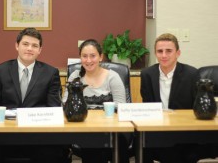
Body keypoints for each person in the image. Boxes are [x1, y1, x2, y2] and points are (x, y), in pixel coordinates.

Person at [0, 28, 70, 163]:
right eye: (25, 44)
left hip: (38, 135)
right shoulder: (0, 71)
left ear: (40, 50)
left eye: (34, 46)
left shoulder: (50, 73)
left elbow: (54, 110)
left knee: (53, 151)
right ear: (17, 46)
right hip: (5, 133)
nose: (29, 49)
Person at [140, 33, 213, 163]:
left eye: (169, 51)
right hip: (157, 129)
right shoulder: (147, 74)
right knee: (142, 145)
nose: (163, 55)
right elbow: (147, 105)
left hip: (184, 131)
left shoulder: (192, 74)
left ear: (178, 53)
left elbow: (196, 107)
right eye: (160, 51)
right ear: (155, 53)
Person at [63, 39, 129, 163]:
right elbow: (66, 103)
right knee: (91, 142)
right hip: (84, 129)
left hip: (111, 129)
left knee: (117, 143)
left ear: (100, 57)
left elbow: (121, 106)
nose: (88, 60)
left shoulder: (112, 77)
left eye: (92, 56)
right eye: (84, 56)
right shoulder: (75, 77)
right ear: (80, 58)